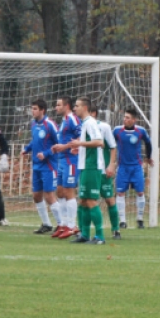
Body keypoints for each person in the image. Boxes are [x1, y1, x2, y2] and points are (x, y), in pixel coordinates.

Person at [67, 97, 106, 244]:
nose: (74, 108)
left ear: (84, 108)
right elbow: (90, 143)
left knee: (90, 200)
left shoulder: (90, 122)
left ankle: (100, 236)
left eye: (76, 106)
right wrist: (80, 148)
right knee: (82, 201)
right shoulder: (85, 123)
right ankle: (84, 234)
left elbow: (99, 142)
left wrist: (80, 143)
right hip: (85, 165)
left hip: (92, 166)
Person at [21, 99, 61, 234]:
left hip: (49, 165)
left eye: (35, 109)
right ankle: (46, 224)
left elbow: (59, 144)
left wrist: (46, 153)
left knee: (49, 195)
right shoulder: (33, 124)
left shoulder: (50, 125)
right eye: (32, 108)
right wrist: (27, 149)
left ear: (42, 110)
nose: (33, 111)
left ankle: (62, 225)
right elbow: (35, 141)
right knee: (37, 195)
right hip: (36, 165)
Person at [113, 107, 154, 229]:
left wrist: (148, 157)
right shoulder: (117, 131)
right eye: (124, 117)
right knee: (120, 193)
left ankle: (140, 219)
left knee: (140, 192)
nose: (125, 119)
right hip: (122, 167)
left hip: (137, 167)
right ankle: (122, 221)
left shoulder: (140, 131)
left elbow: (148, 143)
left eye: (128, 118)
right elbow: (109, 143)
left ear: (134, 120)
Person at [50, 96, 81, 239]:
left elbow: (82, 138)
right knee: (60, 191)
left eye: (58, 105)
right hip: (61, 160)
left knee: (69, 191)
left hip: (71, 160)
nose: (56, 107)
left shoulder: (73, 119)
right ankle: (63, 224)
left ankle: (72, 225)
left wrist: (66, 146)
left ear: (66, 106)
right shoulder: (64, 121)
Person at [90, 105, 119, 239]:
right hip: (89, 170)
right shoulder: (82, 127)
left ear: (93, 113)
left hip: (103, 171)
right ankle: (88, 231)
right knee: (87, 200)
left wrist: (111, 165)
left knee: (109, 199)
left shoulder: (104, 127)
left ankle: (116, 229)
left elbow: (113, 147)